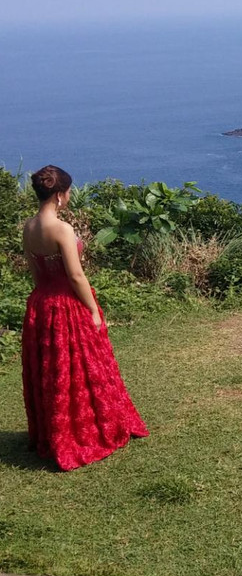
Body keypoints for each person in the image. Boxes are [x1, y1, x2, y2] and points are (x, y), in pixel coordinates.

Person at [21, 165, 148, 470]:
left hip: (41, 303)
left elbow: (36, 272)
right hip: (67, 303)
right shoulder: (61, 229)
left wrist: (45, 299)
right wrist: (92, 309)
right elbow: (76, 275)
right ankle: (85, 431)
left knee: (54, 370)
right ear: (60, 196)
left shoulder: (28, 227)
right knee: (84, 366)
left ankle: (55, 432)